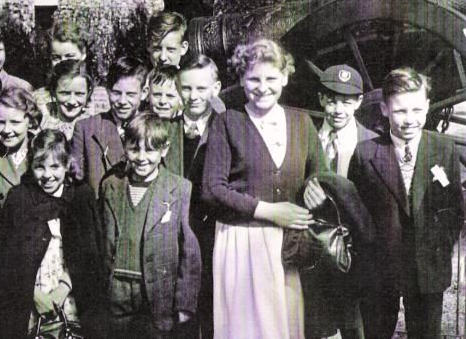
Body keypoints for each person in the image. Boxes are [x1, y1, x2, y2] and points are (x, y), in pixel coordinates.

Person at [307, 68, 464, 339]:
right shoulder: (367, 153)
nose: (409, 119)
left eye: (416, 110)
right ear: (383, 108)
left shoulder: (444, 148)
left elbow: (453, 209)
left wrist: (438, 247)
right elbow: (356, 213)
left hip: (426, 270)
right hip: (379, 271)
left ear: (427, 106)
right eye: (400, 111)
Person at [203, 38, 328, 339]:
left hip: (289, 245)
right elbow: (212, 189)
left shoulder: (302, 122)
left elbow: (321, 175)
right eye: (253, 79)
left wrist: (317, 189)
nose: (263, 87)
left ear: (284, 77)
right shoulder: (227, 122)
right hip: (242, 243)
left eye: (271, 78)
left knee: (283, 328)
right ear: (242, 80)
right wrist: (270, 211)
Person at [0, 129, 106, 339]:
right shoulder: (19, 199)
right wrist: (34, 296)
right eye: (39, 167)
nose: (47, 175)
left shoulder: (80, 197)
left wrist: (63, 289)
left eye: (55, 166)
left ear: (67, 165)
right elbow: (5, 258)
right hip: (30, 299)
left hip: (71, 297)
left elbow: (91, 254)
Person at [100, 112, 201, 338]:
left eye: (150, 150)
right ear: (125, 147)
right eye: (134, 149)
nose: (142, 157)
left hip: (157, 296)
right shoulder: (110, 186)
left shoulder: (180, 189)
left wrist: (184, 302)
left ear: (164, 150)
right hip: (116, 292)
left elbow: (189, 251)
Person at [168, 53, 223, 339]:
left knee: (214, 311)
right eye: (186, 88)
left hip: (215, 235)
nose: (193, 96)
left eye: (201, 89)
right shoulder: (167, 130)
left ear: (216, 88)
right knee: (181, 318)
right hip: (177, 236)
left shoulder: (226, 128)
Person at [72, 56, 149, 194]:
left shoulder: (153, 128)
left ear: (143, 93)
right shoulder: (86, 128)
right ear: (107, 90)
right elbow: (77, 184)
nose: (122, 101)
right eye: (116, 93)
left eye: (131, 94)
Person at [33, 19, 109, 116]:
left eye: (70, 56)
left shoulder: (101, 97)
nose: (63, 62)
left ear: (83, 54)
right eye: (56, 58)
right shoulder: (39, 98)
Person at [314, 65, 378, 178]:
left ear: (358, 102)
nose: (338, 110)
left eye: (346, 103)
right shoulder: (307, 136)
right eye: (331, 102)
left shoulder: (373, 143)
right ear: (321, 99)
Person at [0, 87, 41, 203]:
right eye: (0, 122)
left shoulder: (41, 152)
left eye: (15, 122)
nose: (7, 130)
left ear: (30, 121)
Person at [39, 59, 93, 140]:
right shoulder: (41, 121)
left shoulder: (94, 125)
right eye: (65, 93)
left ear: (88, 94)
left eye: (79, 94)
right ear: (53, 91)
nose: (72, 101)